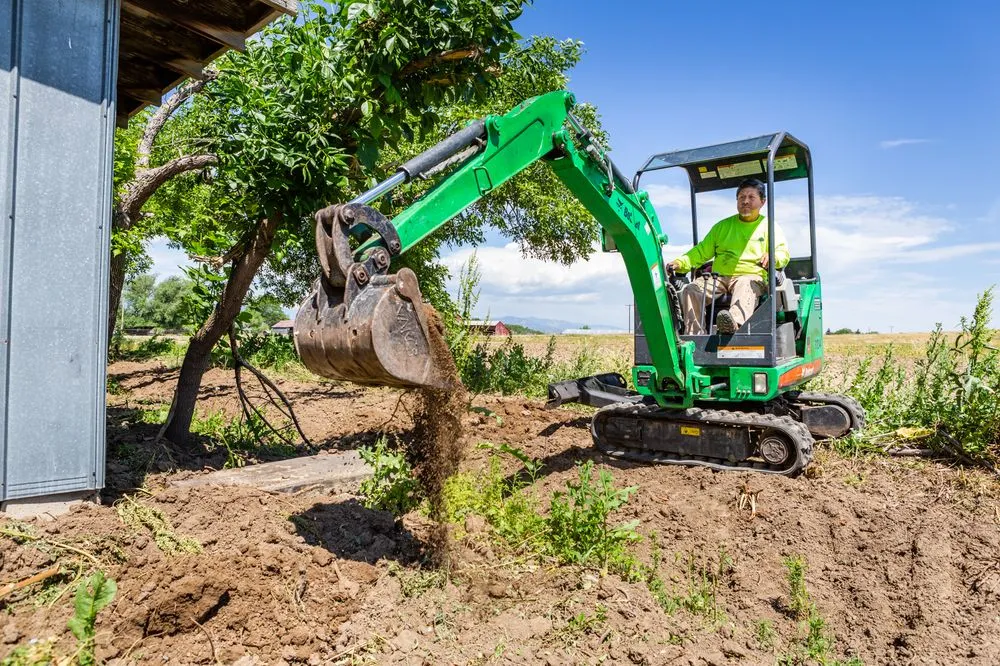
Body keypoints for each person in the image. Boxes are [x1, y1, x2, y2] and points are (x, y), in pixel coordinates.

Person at [667, 178, 789, 335]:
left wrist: (772, 256)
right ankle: (695, 336)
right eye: (741, 197)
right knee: (691, 290)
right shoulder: (722, 227)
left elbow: (783, 253)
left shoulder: (769, 227)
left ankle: (732, 326)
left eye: (751, 197)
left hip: (752, 277)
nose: (745, 201)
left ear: (763, 202)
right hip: (719, 278)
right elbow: (701, 251)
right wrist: (680, 262)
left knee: (745, 285)